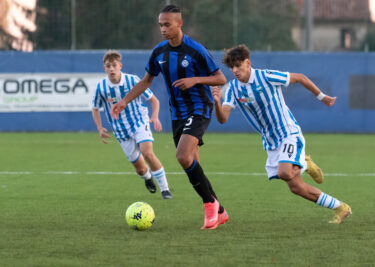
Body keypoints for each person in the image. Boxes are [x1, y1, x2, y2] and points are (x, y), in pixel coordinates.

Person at [111, 5, 228, 229]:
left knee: (183, 156)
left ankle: (209, 206)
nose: (163, 29)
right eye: (160, 25)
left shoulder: (196, 50)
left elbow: (221, 78)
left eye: (167, 24)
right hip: (177, 115)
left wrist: (196, 80)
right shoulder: (159, 52)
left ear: (179, 23)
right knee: (193, 164)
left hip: (199, 108)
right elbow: (146, 81)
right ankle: (220, 210)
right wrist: (124, 101)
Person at [212, 44, 351, 224]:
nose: (235, 70)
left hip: (288, 132)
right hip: (271, 142)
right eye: (232, 67)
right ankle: (340, 207)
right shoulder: (232, 89)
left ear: (248, 62)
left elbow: (300, 78)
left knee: (285, 172)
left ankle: (304, 162)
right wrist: (216, 102)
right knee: (296, 187)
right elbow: (223, 119)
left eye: (238, 65)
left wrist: (322, 96)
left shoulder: (265, 76)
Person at [92, 50, 172, 199]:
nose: (111, 69)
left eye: (114, 65)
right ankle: (148, 177)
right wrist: (99, 127)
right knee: (140, 169)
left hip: (139, 122)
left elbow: (154, 100)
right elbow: (95, 107)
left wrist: (154, 116)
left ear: (120, 66)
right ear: (104, 68)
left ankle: (165, 189)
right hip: (120, 130)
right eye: (108, 66)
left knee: (147, 153)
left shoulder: (132, 80)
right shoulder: (101, 87)